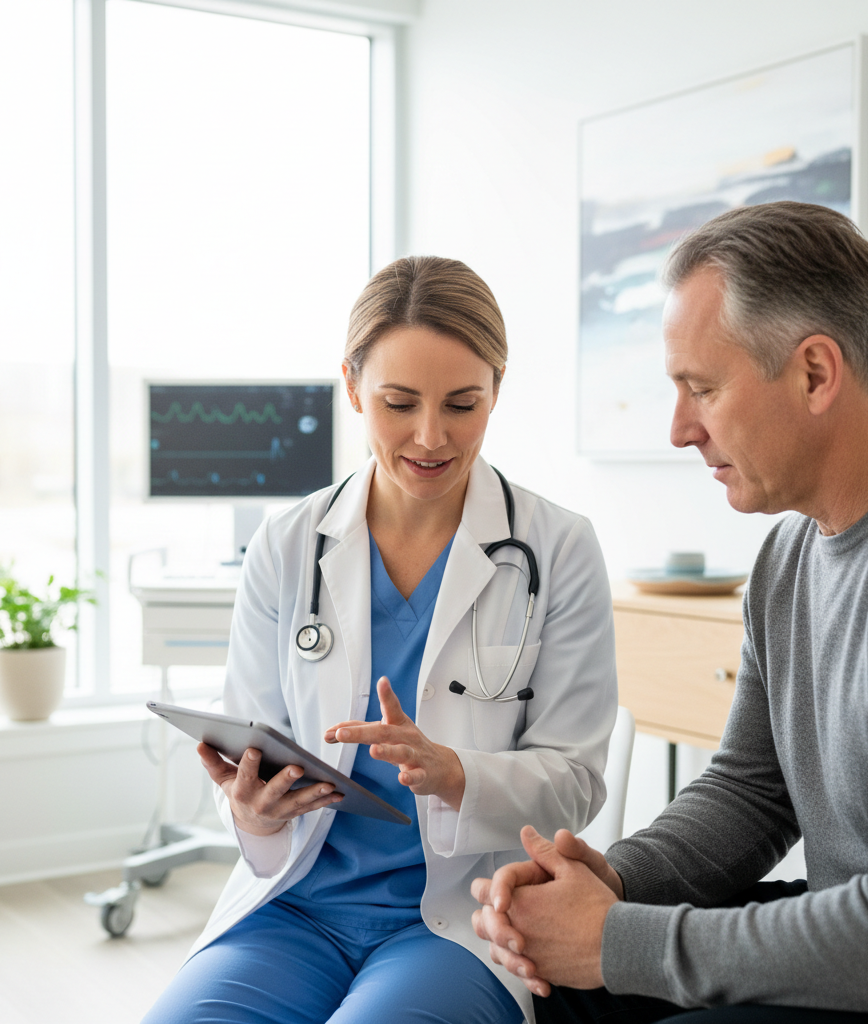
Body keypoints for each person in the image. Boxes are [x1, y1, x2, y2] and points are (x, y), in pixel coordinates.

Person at [471, 201, 868, 1022]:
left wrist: (615, 940)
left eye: (704, 388)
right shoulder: (788, 557)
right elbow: (752, 792)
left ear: (815, 373)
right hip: (866, 933)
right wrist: (607, 883)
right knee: (548, 993)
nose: (681, 428)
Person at [142, 256, 618, 1024]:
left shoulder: (558, 549)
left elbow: (576, 781)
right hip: (291, 907)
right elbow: (254, 747)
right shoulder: (288, 544)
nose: (431, 437)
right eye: (399, 403)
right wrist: (255, 812)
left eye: (463, 404)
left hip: (458, 918)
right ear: (353, 386)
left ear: (498, 389)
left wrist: (456, 772)